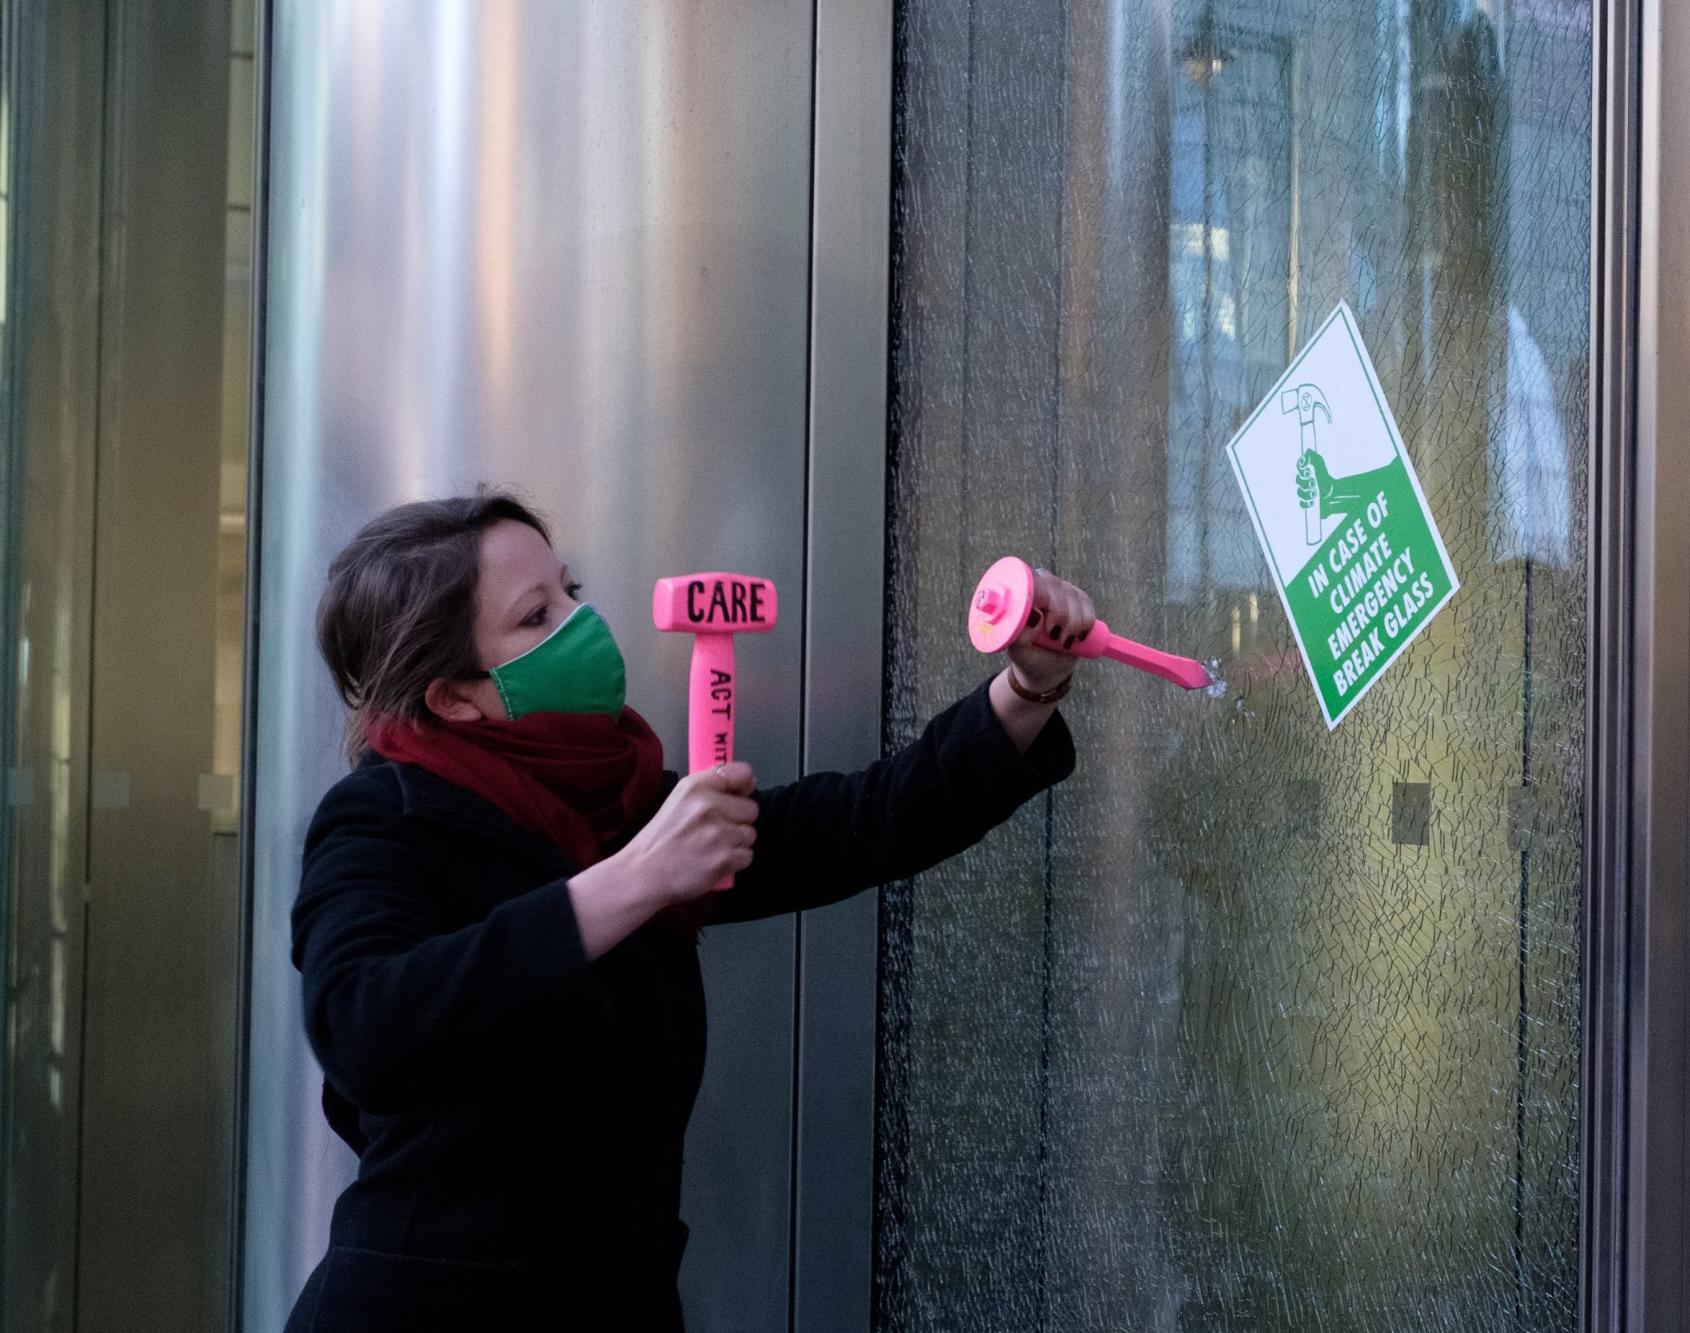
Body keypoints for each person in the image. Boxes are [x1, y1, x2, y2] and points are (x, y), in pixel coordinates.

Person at [284, 492, 1090, 1331]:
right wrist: (636, 879)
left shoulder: (616, 803)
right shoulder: (383, 816)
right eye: (535, 616)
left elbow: (857, 825)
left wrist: (1028, 687)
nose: (580, 621)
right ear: (452, 696)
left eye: (569, 589)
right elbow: (362, 1023)